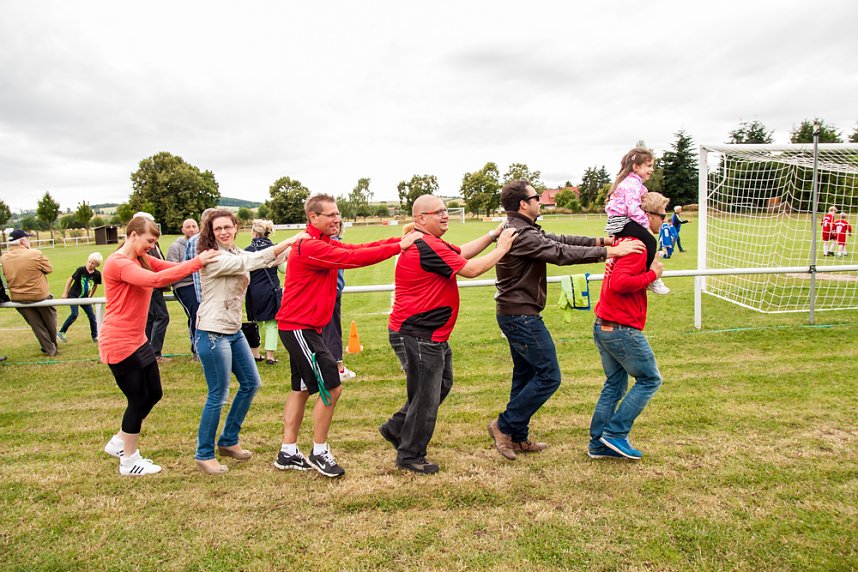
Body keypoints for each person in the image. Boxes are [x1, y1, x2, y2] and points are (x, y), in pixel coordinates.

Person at [487, 180, 644, 461]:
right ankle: (504, 425)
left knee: (526, 375)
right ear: (524, 204)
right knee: (549, 376)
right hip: (521, 316)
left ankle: (517, 436)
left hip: (516, 313)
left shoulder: (523, 228)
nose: (540, 200)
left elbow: (559, 240)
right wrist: (610, 252)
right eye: (536, 197)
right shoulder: (521, 233)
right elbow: (559, 254)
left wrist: (601, 241)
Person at [273, 193, 420, 478]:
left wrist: (396, 242)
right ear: (313, 217)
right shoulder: (309, 246)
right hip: (299, 327)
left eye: (338, 214)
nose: (337, 219)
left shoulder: (323, 243)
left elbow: (359, 246)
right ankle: (319, 451)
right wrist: (399, 246)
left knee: (302, 388)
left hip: (305, 327)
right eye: (330, 215)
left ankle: (288, 452)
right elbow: (352, 258)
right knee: (333, 386)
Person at [380, 195, 518, 474]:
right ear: (421, 218)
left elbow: (461, 253)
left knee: (441, 384)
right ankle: (410, 456)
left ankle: (397, 428)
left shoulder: (432, 243)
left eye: (446, 210)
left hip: (430, 333)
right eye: (438, 212)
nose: (445, 215)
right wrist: (502, 248)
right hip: (418, 334)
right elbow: (470, 269)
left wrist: (493, 235)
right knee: (426, 397)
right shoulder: (426, 244)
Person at [100, 216, 219, 476]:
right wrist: (197, 263)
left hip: (137, 339)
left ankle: (120, 441)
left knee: (154, 393)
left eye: (154, 242)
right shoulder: (119, 263)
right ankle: (129, 460)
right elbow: (156, 280)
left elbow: (166, 266)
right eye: (149, 241)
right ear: (133, 236)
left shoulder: (141, 258)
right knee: (137, 399)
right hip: (119, 342)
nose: (152, 246)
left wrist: (201, 262)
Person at [194, 210, 306, 475]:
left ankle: (229, 440)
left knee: (251, 383)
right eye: (217, 228)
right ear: (211, 232)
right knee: (218, 394)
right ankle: (204, 454)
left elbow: (264, 261)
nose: (223, 232)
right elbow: (256, 260)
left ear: (235, 227)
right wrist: (291, 240)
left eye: (227, 227)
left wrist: (297, 247)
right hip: (212, 332)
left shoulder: (234, 253)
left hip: (233, 330)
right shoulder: (213, 257)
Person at [588, 192, 669, 460]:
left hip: (605, 325)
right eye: (662, 216)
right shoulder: (637, 245)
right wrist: (653, 275)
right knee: (649, 379)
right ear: (647, 216)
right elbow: (620, 283)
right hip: (622, 329)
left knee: (615, 384)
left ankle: (599, 443)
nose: (664, 221)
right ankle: (615, 434)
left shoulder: (624, 241)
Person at [604, 147, 669, 294]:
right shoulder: (631, 185)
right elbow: (633, 209)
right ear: (636, 167)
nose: (652, 170)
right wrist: (645, 225)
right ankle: (651, 277)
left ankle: (646, 275)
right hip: (622, 221)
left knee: (648, 241)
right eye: (649, 166)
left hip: (619, 221)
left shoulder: (634, 184)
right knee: (651, 242)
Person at [1, 229, 58, 356]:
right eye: (27, 238)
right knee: (50, 320)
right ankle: (53, 344)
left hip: (18, 298)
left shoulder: (4, 257)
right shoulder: (34, 253)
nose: (29, 241)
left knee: (36, 325)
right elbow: (49, 269)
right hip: (40, 296)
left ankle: (49, 349)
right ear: (22, 241)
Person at [245, 219, 284, 365]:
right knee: (272, 324)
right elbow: (284, 269)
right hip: (271, 289)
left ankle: (254, 353)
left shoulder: (247, 250)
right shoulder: (275, 249)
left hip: (254, 290)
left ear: (254, 232)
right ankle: (270, 356)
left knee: (256, 323)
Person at [135, 212, 171, 363]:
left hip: (153, 285)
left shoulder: (152, 243)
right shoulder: (144, 245)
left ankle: (148, 352)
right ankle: (155, 353)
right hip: (151, 285)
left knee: (150, 319)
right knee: (162, 317)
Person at [321, 232, 356, 381]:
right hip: (330, 293)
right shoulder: (330, 244)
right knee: (332, 330)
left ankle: (328, 366)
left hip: (329, 292)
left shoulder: (327, 243)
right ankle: (338, 368)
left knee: (326, 331)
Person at [166, 218, 200, 356]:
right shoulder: (175, 247)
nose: (191, 229)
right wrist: (190, 267)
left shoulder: (201, 244)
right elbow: (171, 269)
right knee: (195, 313)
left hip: (199, 283)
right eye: (188, 227)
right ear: (182, 229)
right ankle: (196, 349)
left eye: (194, 226)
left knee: (203, 314)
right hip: (183, 284)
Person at [57, 252, 103, 343]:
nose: (90, 264)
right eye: (89, 261)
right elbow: (70, 279)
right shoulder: (81, 270)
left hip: (84, 298)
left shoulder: (97, 274)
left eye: (93, 263)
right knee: (74, 314)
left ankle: (95, 336)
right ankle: (61, 332)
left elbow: (95, 285)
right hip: (74, 295)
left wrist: (91, 296)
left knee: (91, 316)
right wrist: (65, 292)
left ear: (97, 265)